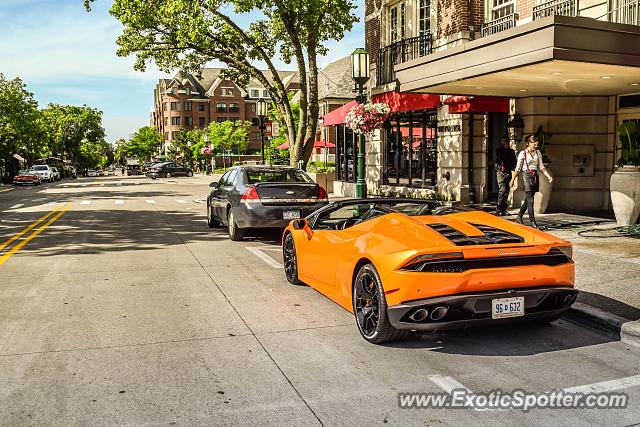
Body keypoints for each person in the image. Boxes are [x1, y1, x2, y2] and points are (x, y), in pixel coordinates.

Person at [509, 134, 553, 228]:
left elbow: (541, 166)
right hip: (526, 175)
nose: (536, 146)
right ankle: (533, 222)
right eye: (534, 144)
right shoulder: (523, 153)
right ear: (529, 143)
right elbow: (518, 168)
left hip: (534, 176)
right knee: (531, 200)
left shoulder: (538, 153)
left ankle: (519, 217)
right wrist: (512, 180)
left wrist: (548, 176)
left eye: (537, 144)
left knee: (528, 199)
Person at [495, 135, 516, 216]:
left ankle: (504, 208)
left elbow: (513, 162)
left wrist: (513, 173)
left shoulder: (511, 151)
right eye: (504, 141)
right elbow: (500, 158)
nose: (505, 143)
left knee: (507, 191)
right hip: (500, 172)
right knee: (502, 190)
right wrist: (505, 148)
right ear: (502, 142)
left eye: (506, 141)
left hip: (508, 172)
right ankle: (498, 207)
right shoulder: (499, 150)